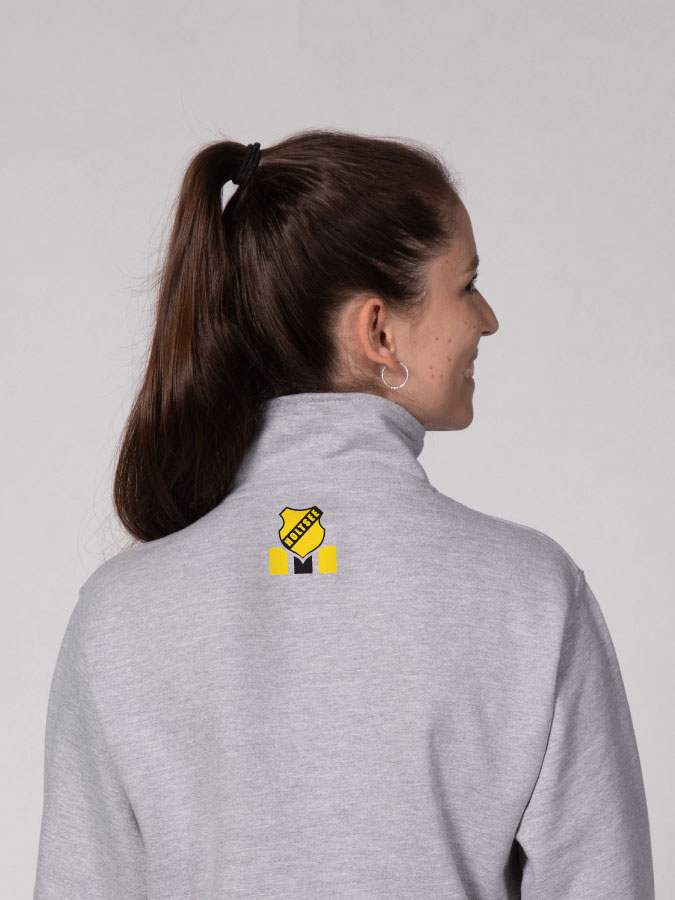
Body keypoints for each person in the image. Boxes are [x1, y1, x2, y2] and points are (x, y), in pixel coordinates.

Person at [33, 130, 655, 899]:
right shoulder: (529, 594)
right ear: (378, 332)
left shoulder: (120, 614)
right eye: (466, 286)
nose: (486, 319)